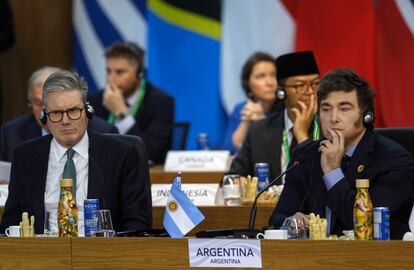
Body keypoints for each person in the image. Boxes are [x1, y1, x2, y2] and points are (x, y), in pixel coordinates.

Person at [0, 70, 151, 235]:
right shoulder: (25, 157)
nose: (65, 121)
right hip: (42, 254)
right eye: (56, 113)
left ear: (87, 111)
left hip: (103, 255)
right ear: (44, 117)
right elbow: (11, 222)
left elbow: (137, 224)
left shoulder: (121, 154)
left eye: (73, 111)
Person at [269, 68, 414, 239]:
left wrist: (332, 172)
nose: (333, 118)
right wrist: (291, 221)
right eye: (326, 109)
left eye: (344, 109)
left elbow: (365, 227)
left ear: (366, 116)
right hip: (312, 259)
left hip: (370, 260)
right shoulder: (305, 155)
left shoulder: (394, 160)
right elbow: (277, 218)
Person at [229, 51, 320, 181]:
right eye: (300, 85)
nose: (310, 92)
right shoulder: (259, 130)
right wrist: (239, 182)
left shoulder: (331, 128)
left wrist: (301, 135)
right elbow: (231, 177)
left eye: (315, 84)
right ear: (281, 91)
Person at [0, 67, 118, 162]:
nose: (44, 111)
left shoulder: (105, 131)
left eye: (71, 110)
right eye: (39, 103)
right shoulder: (10, 133)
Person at [88, 41, 174, 164]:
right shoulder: (94, 100)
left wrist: (121, 113)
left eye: (120, 72)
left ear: (140, 74)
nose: (110, 78)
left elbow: (153, 153)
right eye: (108, 71)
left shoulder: (161, 102)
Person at [223, 52, 281, 154]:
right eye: (261, 76)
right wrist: (246, 121)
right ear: (248, 84)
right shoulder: (241, 109)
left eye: (273, 75)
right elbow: (231, 149)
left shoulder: (287, 109)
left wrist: (262, 120)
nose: (270, 82)